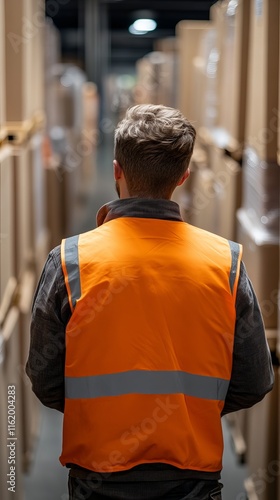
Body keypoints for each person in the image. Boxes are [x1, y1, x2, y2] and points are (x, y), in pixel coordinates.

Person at [26, 104, 274, 500]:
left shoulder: (71, 261)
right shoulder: (225, 263)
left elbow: (44, 378)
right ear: (184, 176)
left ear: (116, 170)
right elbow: (255, 380)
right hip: (193, 481)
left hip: (96, 479)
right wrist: (186, 414)